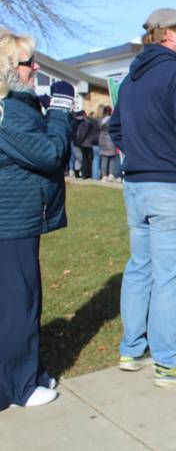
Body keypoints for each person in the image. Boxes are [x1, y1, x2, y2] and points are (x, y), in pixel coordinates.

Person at [109, 7, 176, 387]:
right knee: (169, 276)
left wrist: (138, 155)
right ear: (169, 33)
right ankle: (168, 361)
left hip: (136, 186)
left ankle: (132, 349)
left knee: (140, 268)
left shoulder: (132, 80)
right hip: (170, 187)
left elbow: (116, 127)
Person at [0, 33, 73, 409]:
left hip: (13, 220)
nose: (36, 69)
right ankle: (21, 387)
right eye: (30, 63)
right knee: (19, 304)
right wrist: (60, 110)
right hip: (10, 224)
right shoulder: (7, 112)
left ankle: (24, 374)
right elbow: (49, 154)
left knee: (16, 302)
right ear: (11, 69)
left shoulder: (15, 106)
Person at [98, 105, 117, 181]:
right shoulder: (112, 120)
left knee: (104, 159)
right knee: (112, 159)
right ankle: (111, 174)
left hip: (102, 140)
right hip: (110, 140)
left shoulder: (100, 120)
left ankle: (104, 176)